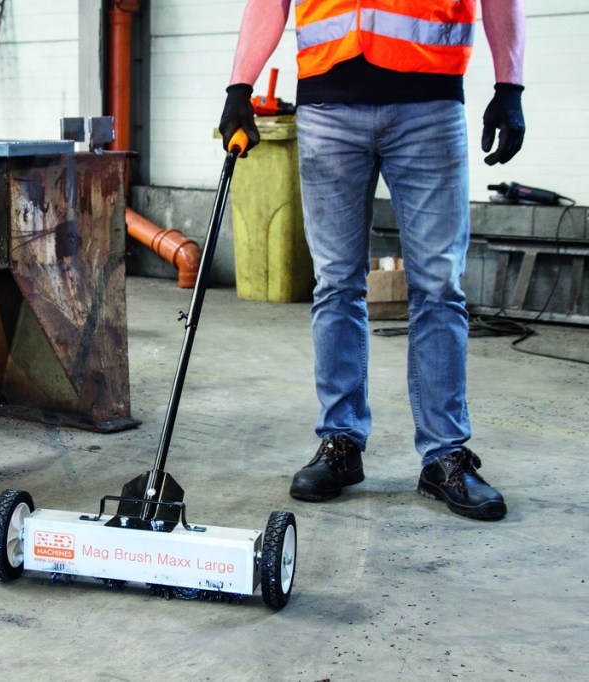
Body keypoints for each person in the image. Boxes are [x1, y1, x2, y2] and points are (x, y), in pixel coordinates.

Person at [219, 0, 526, 521]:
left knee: (438, 285)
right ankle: (340, 443)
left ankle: (444, 454)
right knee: (336, 284)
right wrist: (239, 87)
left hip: (428, 104)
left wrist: (509, 85)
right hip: (328, 107)